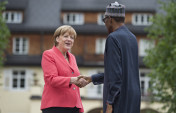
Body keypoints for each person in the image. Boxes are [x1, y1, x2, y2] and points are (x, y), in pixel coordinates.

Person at [79, 2, 141, 113]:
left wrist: (110, 102)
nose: (105, 24)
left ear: (110, 19)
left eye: (104, 20)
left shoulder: (113, 38)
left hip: (119, 100)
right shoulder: (132, 38)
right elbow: (122, 72)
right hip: (133, 99)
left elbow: (116, 76)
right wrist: (92, 78)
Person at [40, 25, 86, 113]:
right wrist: (73, 80)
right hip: (55, 106)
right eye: (65, 36)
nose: (69, 39)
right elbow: (51, 79)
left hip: (74, 107)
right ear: (57, 39)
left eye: (72, 38)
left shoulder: (72, 57)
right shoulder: (48, 54)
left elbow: (75, 86)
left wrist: (80, 108)